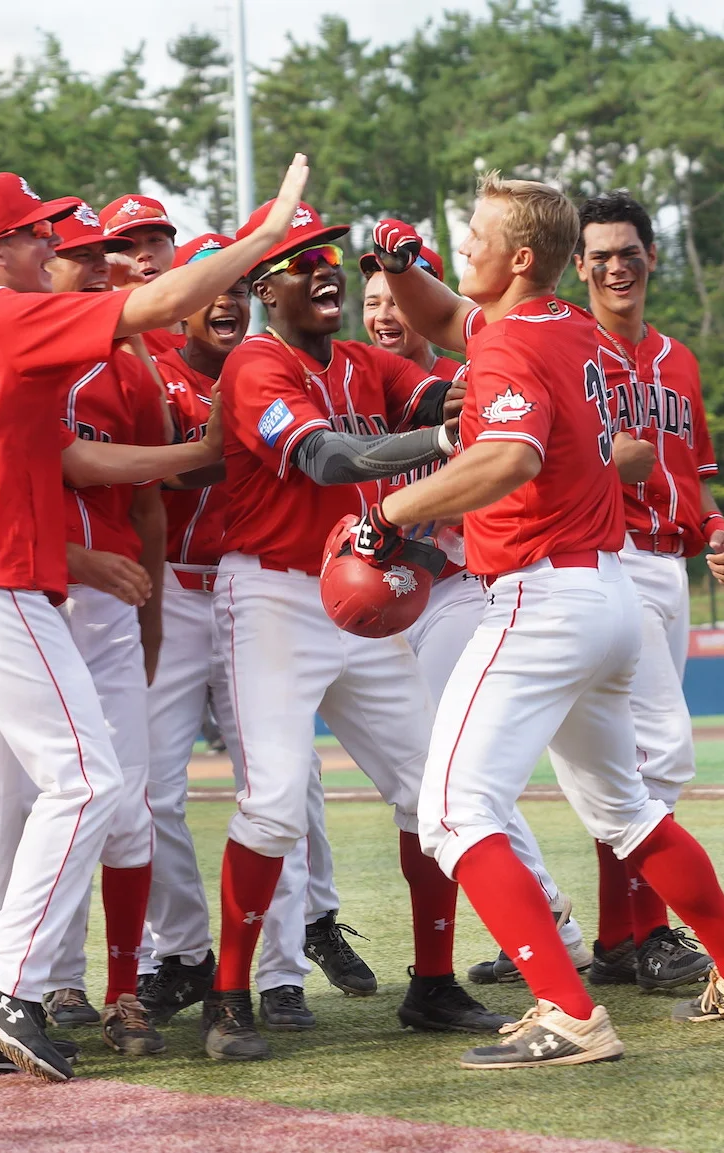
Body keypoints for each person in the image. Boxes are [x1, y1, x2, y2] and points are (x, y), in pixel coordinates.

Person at [0, 159, 319, 1082]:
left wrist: (198, 448)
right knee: (90, 779)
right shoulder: (4, 316)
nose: (53, 243)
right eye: (38, 232)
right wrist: (264, 234)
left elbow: (77, 464)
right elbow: (152, 302)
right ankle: (3, 982)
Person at [364, 174, 724, 1070]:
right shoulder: (564, 326)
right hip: (606, 594)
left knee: (450, 813)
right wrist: (400, 266)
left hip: (541, 597)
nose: (465, 245)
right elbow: (451, 317)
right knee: (625, 806)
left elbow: (510, 457)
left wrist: (392, 512)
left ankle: (568, 1011)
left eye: (476, 233)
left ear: (520, 257)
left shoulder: (513, 342)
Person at [201, 197, 507, 1063]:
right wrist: (438, 438)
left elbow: (448, 388)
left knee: (431, 790)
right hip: (273, 596)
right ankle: (228, 997)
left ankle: (434, 984)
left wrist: (498, 380)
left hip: (364, 592)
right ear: (265, 282)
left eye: (329, 251)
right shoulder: (255, 364)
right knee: (272, 801)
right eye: (302, 256)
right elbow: (325, 456)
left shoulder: (366, 361)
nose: (325, 266)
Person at [360, 243, 597, 988]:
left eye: (396, 297)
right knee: (434, 778)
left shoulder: (473, 371)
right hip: (375, 597)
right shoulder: (360, 380)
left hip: (455, 590)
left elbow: (499, 480)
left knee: (455, 776)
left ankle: (551, 918)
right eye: (372, 302)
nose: (385, 311)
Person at [136, 233, 346, 1033]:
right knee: (152, 792)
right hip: (176, 591)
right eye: (208, 286)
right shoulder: (158, 372)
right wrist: (233, 439)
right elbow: (171, 472)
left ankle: (283, 971)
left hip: (261, 586)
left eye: (235, 285)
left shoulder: (284, 369)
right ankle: (185, 951)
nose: (222, 299)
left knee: (281, 791)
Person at [39, 198, 171, 1056]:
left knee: (126, 806)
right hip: (27, 600)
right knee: (40, 804)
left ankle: (124, 989)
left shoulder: (131, 374)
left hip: (113, 611)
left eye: (106, 253)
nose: (98, 265)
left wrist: (150, 612)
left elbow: (149, 503)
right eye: (81, 253)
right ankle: (46, 979)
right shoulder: (14, 358)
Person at [101, 194, 182, 356]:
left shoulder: (208, 332)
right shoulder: (103, 336)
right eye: (127, 245)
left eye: (154, 240)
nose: (144, 254)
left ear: (176, 249)